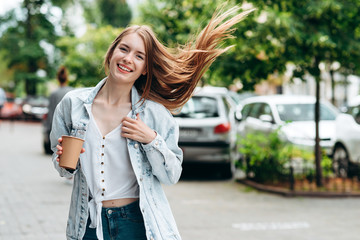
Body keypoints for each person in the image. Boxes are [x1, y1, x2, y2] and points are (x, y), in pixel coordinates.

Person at [50, 6, 254, 240]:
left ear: (146, 68)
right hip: (87, 224)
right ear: (112, 52)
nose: (128, 59)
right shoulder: (72, 104)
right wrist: (63, 160)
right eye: (123, 49)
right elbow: (64, 171)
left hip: (135, 222)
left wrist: (151, 139)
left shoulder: (154, 114)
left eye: (139, 56)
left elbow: (172, 175)